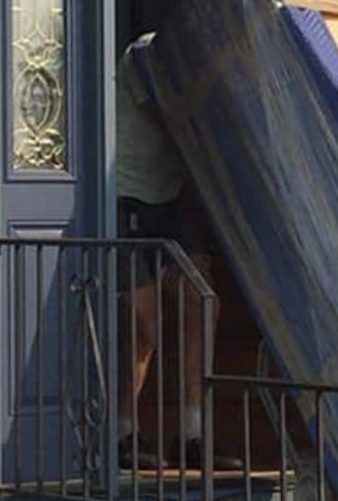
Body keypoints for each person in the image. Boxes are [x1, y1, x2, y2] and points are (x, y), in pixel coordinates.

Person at [116, 32, 241, 471]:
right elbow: (176, 115)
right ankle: (123, 434)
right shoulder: (144, 55)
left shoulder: (204, 66)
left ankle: (193, 435)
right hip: (130, 195)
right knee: (144, 324)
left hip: (171, 197)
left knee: (203, 304)